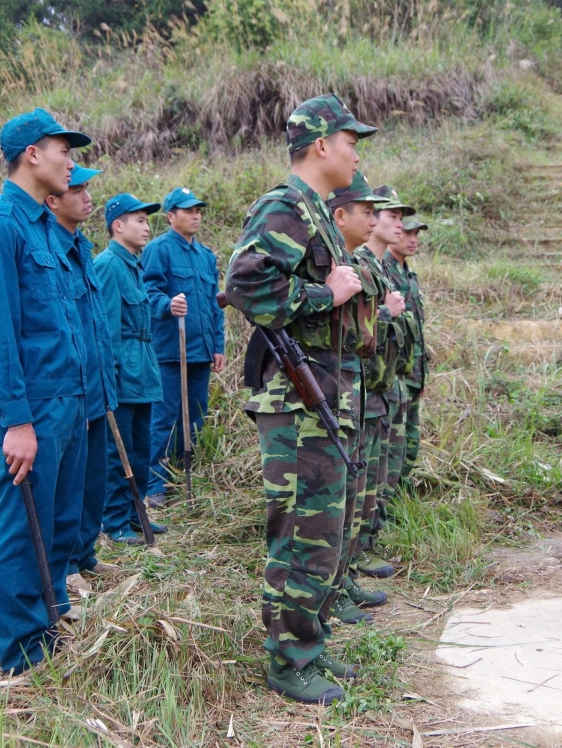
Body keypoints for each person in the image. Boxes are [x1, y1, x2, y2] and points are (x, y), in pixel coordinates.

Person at [224, 94, 376, 704]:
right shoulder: (285, 208)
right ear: (321, 145)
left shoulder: (314, 213)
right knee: (301, 535)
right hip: (296, 405)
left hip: (323, 400)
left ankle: (308, 640)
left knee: (323, 532)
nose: (356, 155)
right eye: (350, 143)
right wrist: (325, 295)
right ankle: (288, 660)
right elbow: (244, 283)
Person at [0, 107, 92, 673]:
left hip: (69, 400)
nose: (72, 162)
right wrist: (16, 421)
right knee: (23, 528)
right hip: (34, 409)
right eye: (64, 150)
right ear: (32, 154)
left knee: (59, 523)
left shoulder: (43, 227)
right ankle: (20, 652)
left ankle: (49, 622)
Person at [45, 166, 122, 588]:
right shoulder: (50, 251)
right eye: (77, 190)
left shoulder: (81, 247)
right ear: (53, 200)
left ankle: (85, 553)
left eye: (88, 188)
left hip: (96, 385)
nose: (87, 197)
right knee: (68, 486)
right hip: (70, 389)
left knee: (94, 478)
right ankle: (66, 566)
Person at [327, 171, 399, 625]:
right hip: (337, 397)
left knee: (354, 494)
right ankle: (332, 588)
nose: (374, 221)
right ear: (341, 215)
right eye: (367, 212)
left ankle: (343, 577)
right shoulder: (335, 266)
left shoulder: (355, 263)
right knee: (338, 499)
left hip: (360, 392)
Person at [143, 187, 226, 508]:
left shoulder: (206, 256)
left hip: (200, 353)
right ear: (170, 216)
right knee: (164, 419)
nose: (196, 216)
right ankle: (155, 484)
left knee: (195, 418)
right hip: (170, 352)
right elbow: (148, 293)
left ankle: (183, 474)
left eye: (198, 211)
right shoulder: (158, 250)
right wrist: (167, 304)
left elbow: (215, 305)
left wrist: (217, 346)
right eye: (188, 211)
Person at [94, 194, 166, 544]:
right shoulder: (108, 265)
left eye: (146, 220)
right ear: (118, 225)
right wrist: (109, 381)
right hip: (122, 378)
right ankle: (114, 521)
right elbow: (106, 331)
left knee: (139, 450)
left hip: (142, 375)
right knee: (116, 454)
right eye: (139, 220)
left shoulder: (133, 265)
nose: (146, 227)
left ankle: (136, 513)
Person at [356, 185, 417, 579]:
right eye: (392, 216)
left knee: (381, 474)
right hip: (366, 388)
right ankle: (357, 552)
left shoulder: (380, 267)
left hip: (386, 384)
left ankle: (367, 543)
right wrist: (384, 313)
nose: (399, 225)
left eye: (400, 217)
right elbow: (352, 331)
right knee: (364, 476)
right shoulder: (361, 264)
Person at [384, 197, 430, 507]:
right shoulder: (383, 271)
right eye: (407, 232)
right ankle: (386, 504)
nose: (412, 239)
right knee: (391, 444)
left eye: (416, 234)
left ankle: (400, 497)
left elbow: (416, 332)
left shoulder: (409, 276)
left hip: (412, 374)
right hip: (393, 376)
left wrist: (422, 373)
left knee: (409, 441)